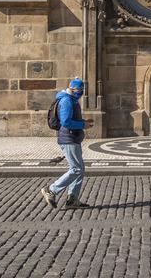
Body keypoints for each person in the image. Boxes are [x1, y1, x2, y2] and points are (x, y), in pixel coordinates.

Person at [41, 78, 93, 209]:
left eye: (82, 91)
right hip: (68, 138)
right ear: (73, 89)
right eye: (79, 91)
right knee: (76, 169)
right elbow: (66, 122)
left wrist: (83, 121)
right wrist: (83, 124)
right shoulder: (66, 101)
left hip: (72, 138)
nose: (81, 93)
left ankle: (72, 199)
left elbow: (70, 119)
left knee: (79, 169)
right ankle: (51, 190)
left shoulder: (71, 99)